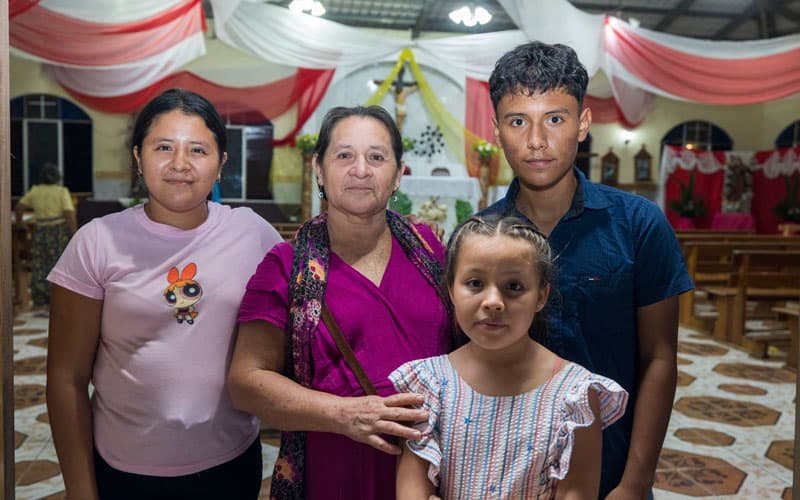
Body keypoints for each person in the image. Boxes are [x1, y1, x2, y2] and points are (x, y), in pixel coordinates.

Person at [46, 88, 284, 500]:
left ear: (221, 163)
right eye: (163, 147)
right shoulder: (97, 242)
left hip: (232, 463)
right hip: (124, 471)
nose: (179, 165)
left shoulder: (254, 234)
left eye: (197, 150)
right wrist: (81, 490)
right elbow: (66, 378)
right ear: (138, 157)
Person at [479, 41, 693, 498]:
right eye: (518, 121)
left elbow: (659, 357)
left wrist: (636, 480)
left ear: (583, 123)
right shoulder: (481, 237)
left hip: (611, 473)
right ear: (497, 129)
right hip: (507, 471)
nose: (537, 140)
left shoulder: (638, 225)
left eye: (555, 119)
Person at [228, 105, 452, 500]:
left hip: (430, 473)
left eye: (376, 157)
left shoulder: (430, 252)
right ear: (319, 169)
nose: (360, 170)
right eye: (344, 155)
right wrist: (345, 414)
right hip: (332, 470)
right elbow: (246, 383)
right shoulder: (285, 267)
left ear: (399, 174)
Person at [391, 214, 629, 499]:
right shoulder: (429, 385)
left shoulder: (575, 397)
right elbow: (412, 490)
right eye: (475, 283)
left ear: (541, 296)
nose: (493, 302)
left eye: (514, 286)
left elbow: (577, 492)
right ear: (451, 289)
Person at [15, 162, 76, 307]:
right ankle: (58, 297)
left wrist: (19, 224)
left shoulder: (35, 191)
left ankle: (40, 297)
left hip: (41, 231)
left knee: (40, 263)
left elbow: (19, 207)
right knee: (58, 262)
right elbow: (68, 213)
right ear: (57, 177)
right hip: (57, 231)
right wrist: (74, 233)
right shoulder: (61, 191)